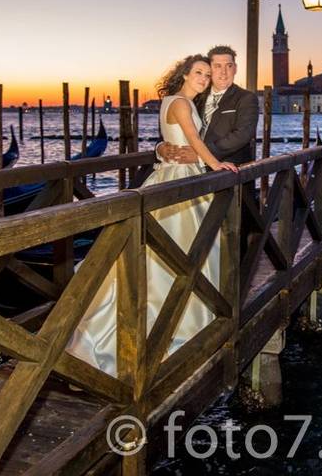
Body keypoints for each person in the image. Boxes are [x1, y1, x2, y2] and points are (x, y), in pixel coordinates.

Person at [67, 55, 237, 376]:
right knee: (182, 250)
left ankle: (178, 322)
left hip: (172, 175)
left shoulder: (172, 101)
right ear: (184, 75)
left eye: (207, 74)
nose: (204, 78)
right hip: (179, 182)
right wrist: (215, 165)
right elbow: (194, 139)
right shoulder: (184, 104)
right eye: (198, 73)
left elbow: (175, 140)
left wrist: (162, 149)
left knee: (175, 252)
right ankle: (180, 327)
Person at [157, 45, 259, 167]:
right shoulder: (195, 96)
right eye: (217, 66)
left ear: (235, 68)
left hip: (229, 175)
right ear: (210, 68)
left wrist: (200, 155)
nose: (224, 72)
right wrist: (159, 147)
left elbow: (243, 135)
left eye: (229, 66)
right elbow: (172, 129)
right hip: (191, 171)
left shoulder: (246, 98)